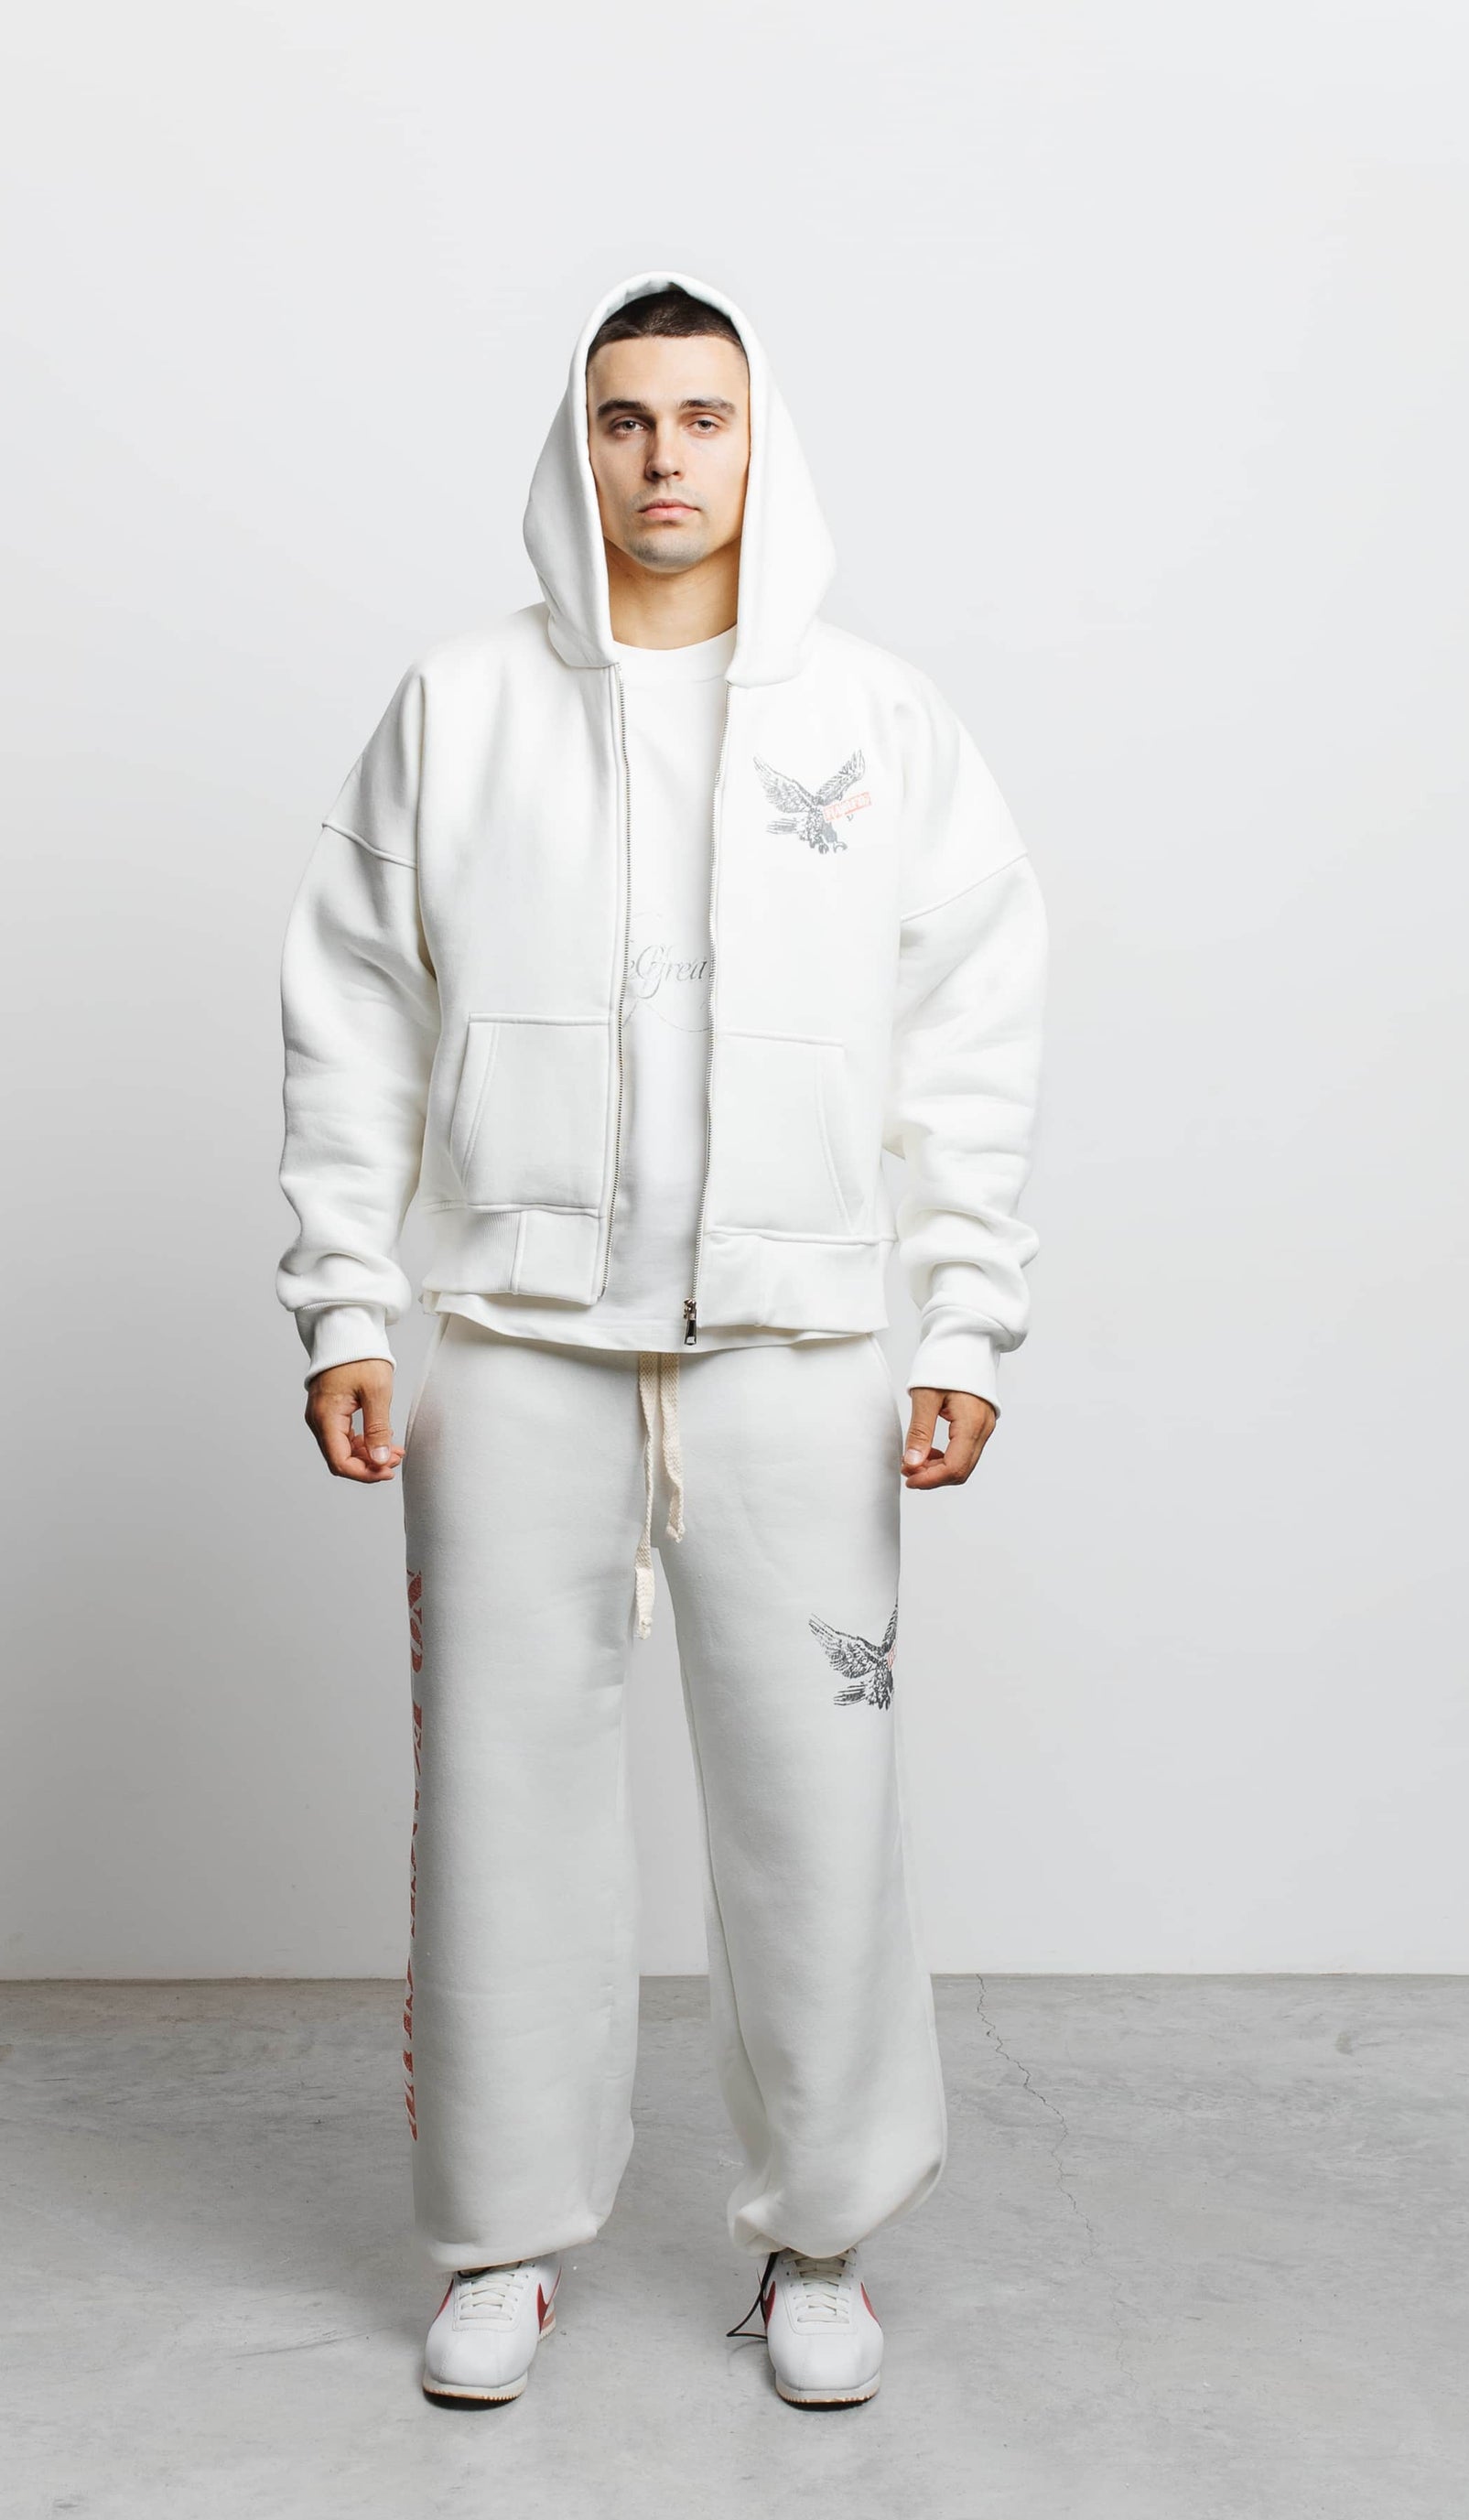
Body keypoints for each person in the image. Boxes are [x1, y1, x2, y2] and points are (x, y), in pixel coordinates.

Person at [276, 271, 1047, 2408]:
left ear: (755, 436)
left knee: (820, 1797)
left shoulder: (877, 720)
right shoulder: (458, 708)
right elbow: (352, 1014)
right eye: (625, 417)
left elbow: (972, 1035)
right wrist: (345, 1298)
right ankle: (502, 2236)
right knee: (498, 1801)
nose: (664, 456)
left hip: (799, 1339)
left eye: (702, 415)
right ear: (578, 444)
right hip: (515, 1337)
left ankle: (823, 2235)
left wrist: (962, 1320)